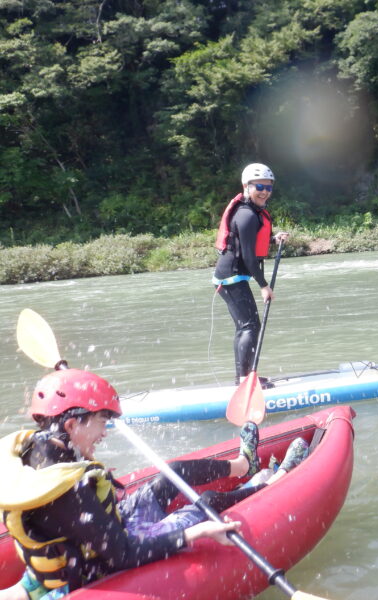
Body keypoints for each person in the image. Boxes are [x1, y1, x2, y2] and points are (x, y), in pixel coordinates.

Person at [0, 368, 272, 600]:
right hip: (96, 567)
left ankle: (245, 464)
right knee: (206, 505)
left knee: (174, 474)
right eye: (101, 422)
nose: (104, 433)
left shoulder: (33, 448)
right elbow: (123, 555)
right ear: (71, 425)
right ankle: (273, 482)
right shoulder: (69, 493)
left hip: (93, 541)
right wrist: (198, 533)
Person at [213, 163, 290, 386]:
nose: (264, 191)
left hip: (231, 277)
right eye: (259, 186)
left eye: (268, 187)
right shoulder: (247, 215)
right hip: (232, 278)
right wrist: (264, 286)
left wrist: (274, 239)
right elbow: (247, 256)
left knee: (245, 326)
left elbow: (249, 243)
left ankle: (243, 377)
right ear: (247, 186)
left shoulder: (251, 212)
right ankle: (245, 379)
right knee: (249, 326)